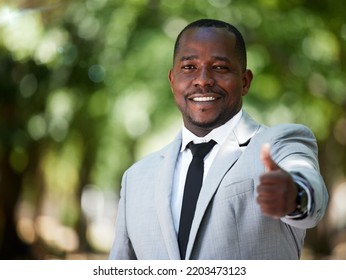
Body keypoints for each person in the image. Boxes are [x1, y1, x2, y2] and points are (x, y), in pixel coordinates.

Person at [109, 19, 328, 260]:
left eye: (220, 68)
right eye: (189, 67)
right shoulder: (136, 178)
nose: (203, 80)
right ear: (172, 81)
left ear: (245, 82)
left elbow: (307, 183)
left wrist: (295, 196)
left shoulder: (279, 144)